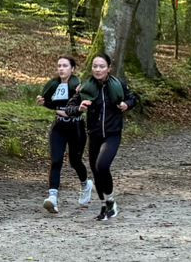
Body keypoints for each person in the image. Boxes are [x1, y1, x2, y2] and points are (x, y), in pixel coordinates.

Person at [79, 52, 132, 222]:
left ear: (109, 68)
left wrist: (127, 104)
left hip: (112, 134)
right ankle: (104, 205)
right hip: (94, 134)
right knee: (95, 171)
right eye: (95, 66)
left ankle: (111, 201)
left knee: (102, 166)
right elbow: (73, 104)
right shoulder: (86, 87)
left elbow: (133, 98)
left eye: (102, 66)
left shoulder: (118, 85)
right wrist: (79, 107)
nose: (98, 69)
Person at [36, 54, 92, 213]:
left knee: (75, 161)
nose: (61, 68)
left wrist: (82, 96)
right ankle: (52, 198)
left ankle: (85, 184)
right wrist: (43, 102)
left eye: (65, 66)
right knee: (56, 160)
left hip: (76, 128)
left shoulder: (78, 85)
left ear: (72, 69)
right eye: (59, 65)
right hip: (59, 127)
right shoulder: (53, 85)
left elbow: (86, 102)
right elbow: (53, 104)